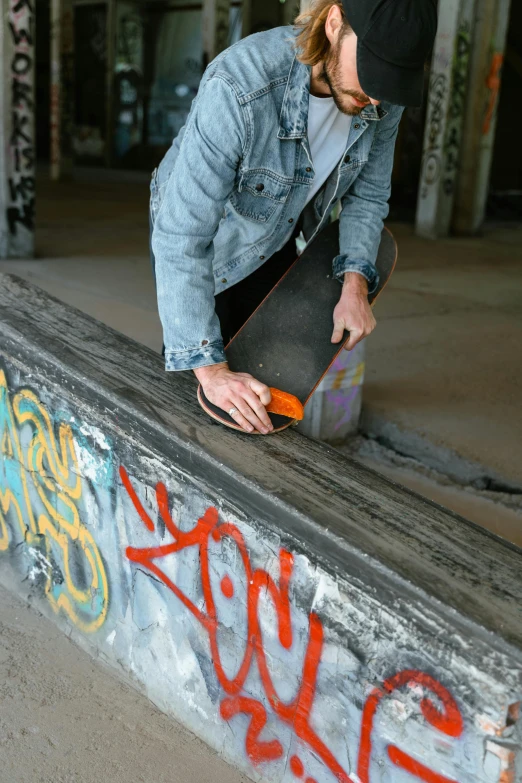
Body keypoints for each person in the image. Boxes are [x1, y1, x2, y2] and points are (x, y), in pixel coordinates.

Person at [150, 0, 437, 434]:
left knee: (265, 403)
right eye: (372, 70)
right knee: (204, 396)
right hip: (213, 236)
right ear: (334, 23)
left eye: (390, 82)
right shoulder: (239, 86)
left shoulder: (381, 96)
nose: (376, 97)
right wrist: (210, 370)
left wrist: (355, 282)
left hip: (280, 231)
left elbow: (370, 193)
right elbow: (181, 236)